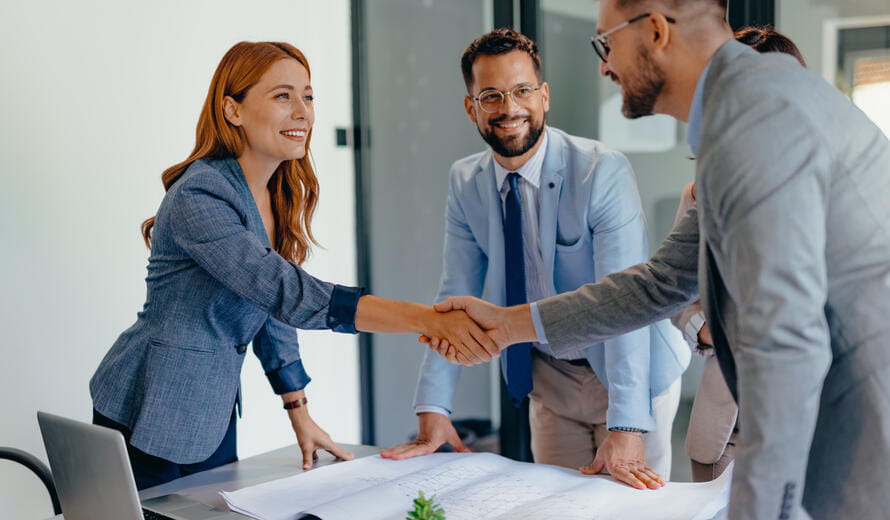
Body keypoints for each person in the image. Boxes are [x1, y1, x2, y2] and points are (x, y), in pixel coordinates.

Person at [430, 1, 890, 518]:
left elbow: (785, 346)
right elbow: (660, 282)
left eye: (605, 43)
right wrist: (513, 323)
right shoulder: (745, 106)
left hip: (859, 427)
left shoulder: (755, 119)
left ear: (654, 30)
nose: (604, 66)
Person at [89, 41, 498, 490]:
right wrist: (426, 319)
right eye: (283, 96)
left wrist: (297, 411)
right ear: (233, 110)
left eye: (308, 96)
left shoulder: (271, 193)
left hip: (210, 409)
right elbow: (284, 292)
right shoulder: (200, 195)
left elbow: (268, 310)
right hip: (152, 407)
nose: (303, 111)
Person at [381, 29, 688, 491]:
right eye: (491, 95)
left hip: (631, 378)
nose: (510, 108)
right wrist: (433, 409)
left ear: (544, 96)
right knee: (554, 506)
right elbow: (453, 297)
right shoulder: (466, 182)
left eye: (523, 90)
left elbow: (630, 305)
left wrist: (627, 426)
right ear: (472, 107)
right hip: (550, 379)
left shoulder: (601, 171)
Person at [672, 25, 808, 483]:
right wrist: (708, 333)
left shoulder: (827, 188)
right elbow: (672, 290)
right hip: (720, 429)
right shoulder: (699, 194)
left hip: (804, 428)